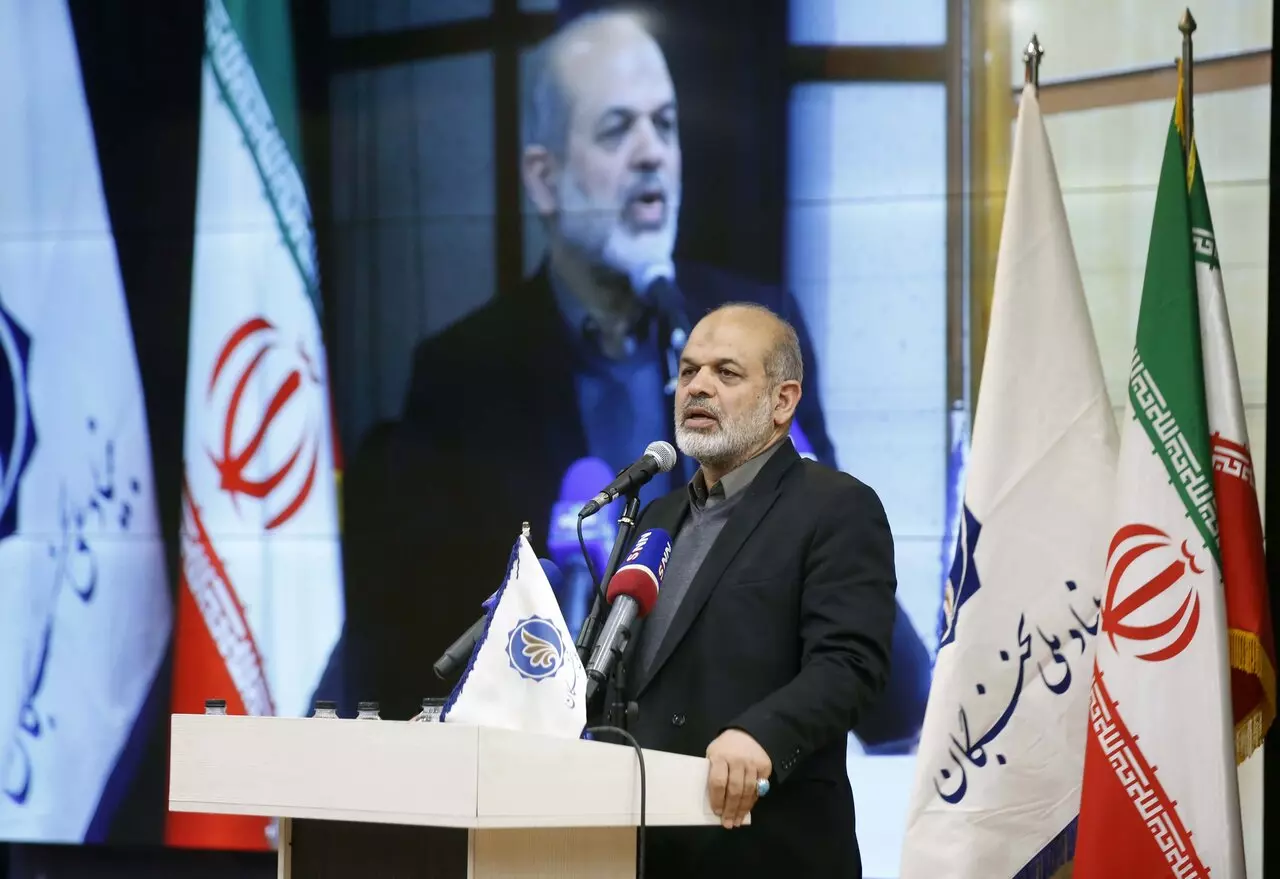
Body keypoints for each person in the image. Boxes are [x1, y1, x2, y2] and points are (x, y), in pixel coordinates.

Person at [338, 10, 929, 753]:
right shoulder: (464, 373)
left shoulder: (757, 328)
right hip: (549, 779)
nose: (652, 152)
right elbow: (419, 647)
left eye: (665, 125)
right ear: (545, 178)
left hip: (735, 769)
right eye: (617, 129)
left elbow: (866, 647)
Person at [607, 302, 895, 878]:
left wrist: (760, 733)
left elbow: (849, 664)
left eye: (726, 372)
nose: (697, 387)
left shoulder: (836, 507)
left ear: (783, 401)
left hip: (764, 846)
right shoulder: (655, 517)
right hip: (640, 851)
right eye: (688, 371)